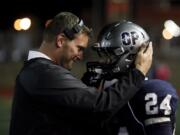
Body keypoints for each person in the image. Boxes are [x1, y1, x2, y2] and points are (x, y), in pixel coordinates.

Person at [9, 12, 153, 135]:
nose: (80, 56)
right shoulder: (43, 73)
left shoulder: (36, 70)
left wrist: (87, 84)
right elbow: (101, 106)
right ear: (60, 41)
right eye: (79, 48)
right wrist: (138, 72)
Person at [85, 20, 179, 135]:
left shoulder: (153, 92)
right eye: (103, 55)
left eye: (109, 56)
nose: (102, 61)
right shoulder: (108, 87)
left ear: (129, 56)